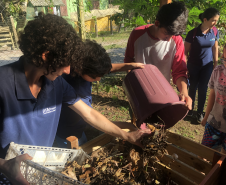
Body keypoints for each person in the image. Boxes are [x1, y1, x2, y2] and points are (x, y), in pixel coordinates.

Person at [0, 13, 151, 184]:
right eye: (65, 63)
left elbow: (89, 114)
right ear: (46, 56)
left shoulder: (56, 84)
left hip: (38, 170)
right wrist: (4, 166)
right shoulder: (3, 85)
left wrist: (128, 136)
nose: (67, 71)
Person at [55, 39, 145, 148]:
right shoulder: (76, 89)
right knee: (77, 152)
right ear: (80, 69)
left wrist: (130, 65)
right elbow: (91, 118)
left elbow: (107, 68)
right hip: (67, 132)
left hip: (77, 123)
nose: (98, 79)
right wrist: (126, 129)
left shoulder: (82, 66)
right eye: (95, 76)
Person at [124, 1, 192, 121]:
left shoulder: (177, 41)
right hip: (139, 95)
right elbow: (128, 61)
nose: (168, 39)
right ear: (157, 23)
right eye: (166, 33)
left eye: (173, 35)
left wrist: (184, 93)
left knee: (159, 127)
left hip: (162, 96)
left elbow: (179, 72)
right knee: (137, 128)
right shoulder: (137, 35)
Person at [184, 8, 220, 123]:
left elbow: (215, 47)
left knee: (203, 89)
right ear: (205, 19)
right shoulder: (193, 33)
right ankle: (189, 110)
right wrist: (184, 67)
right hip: (193, 65)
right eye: (213, 20)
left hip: (207, 66)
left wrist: (215, 63)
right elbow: (185, 52)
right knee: (192, 88)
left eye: (216, 20)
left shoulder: (214, 31)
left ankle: (200, 112)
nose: (215, 23)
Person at [200, 45, 226, 154]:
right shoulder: (218, 70)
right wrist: (206, 117)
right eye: (224, 59)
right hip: (213, 124)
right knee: (204, 154)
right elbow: (212, 94)